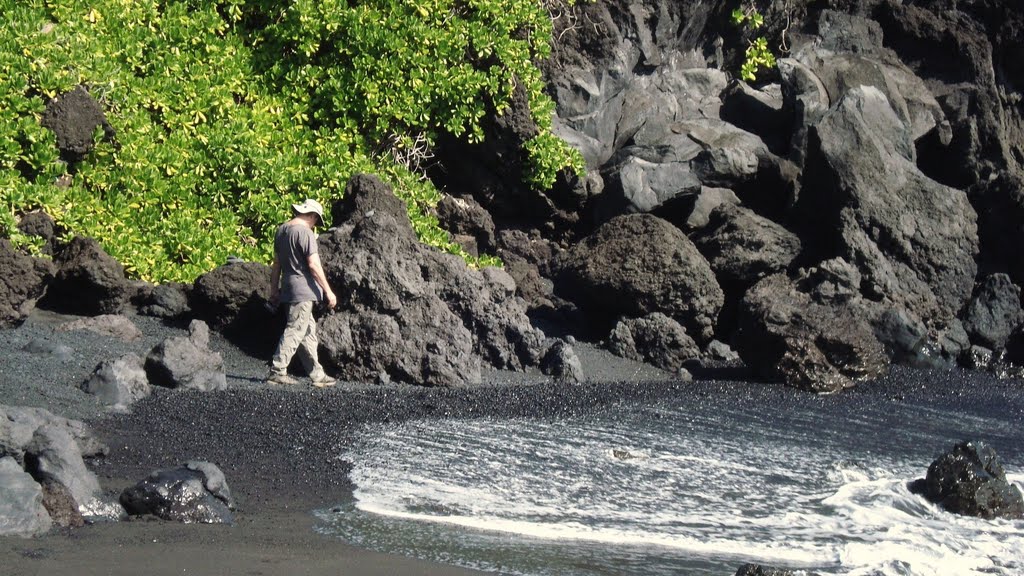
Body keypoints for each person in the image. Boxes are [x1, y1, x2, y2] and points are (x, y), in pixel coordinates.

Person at [267, 198, 338, 388]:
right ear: (312, 215)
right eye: (316, 220)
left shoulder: (282, 231)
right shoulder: (304, 233)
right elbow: (314, 265)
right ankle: (278, 370)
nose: (315, 224)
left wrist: (274, 289)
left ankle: (317, 374)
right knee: (296, 329)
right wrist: (328, 292)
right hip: (303, 290)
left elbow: (276, 265)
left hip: (288, 287)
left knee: (307, 332)